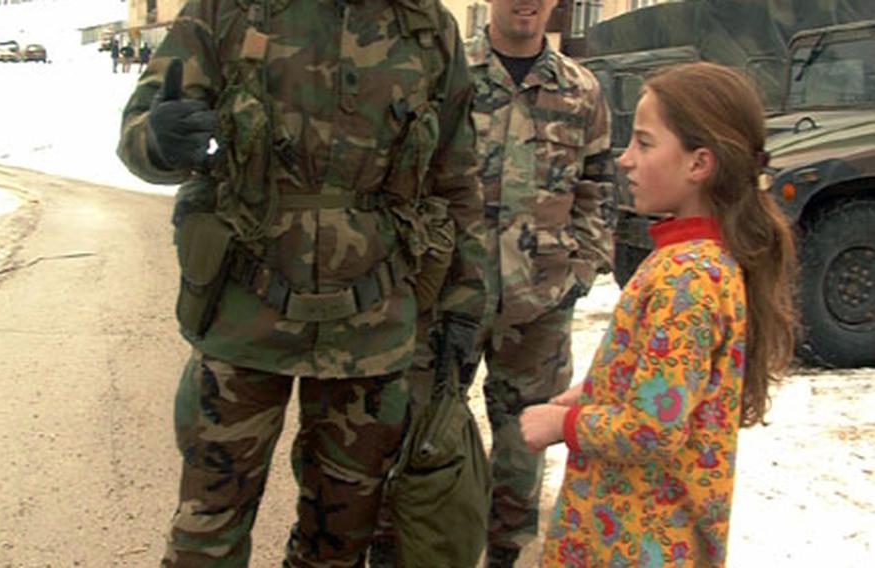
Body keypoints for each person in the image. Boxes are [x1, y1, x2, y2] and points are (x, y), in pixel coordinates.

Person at [116, 0, 486, 565]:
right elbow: (142, 128)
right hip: (243, 313)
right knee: (206, 536)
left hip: (371, 331)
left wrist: (464, 306)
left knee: (337, 548)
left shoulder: (427, 27)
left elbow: (457, 179)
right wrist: (159, 141)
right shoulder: (227, 10)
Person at [520, 62, 797, 566]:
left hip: (639, 540)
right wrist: (604, 385)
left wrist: (563, 424)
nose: (625, 159)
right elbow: (674, 384)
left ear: (699, 164)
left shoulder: (688, 279)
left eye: (644, 144)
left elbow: (654, 428)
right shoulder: (691, 260)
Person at [371, 0, 614, 564]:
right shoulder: (447, 74)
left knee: (521, 456)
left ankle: (505, 556)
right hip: (448, 303)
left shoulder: (582, 91)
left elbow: (598, 186)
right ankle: (399, 552)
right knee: (415, 437)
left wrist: (580, 271)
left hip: (538, 311)